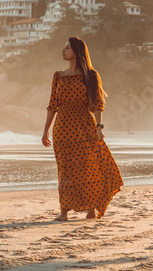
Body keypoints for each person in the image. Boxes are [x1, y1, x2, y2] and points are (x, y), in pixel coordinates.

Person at [42, 37, 123, 220]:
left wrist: (99, 127)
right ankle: (64, 211)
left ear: (77, 52)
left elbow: (97, 103)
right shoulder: (58, 76)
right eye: (64, 47)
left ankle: (92, 208)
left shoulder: (91, 76)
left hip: (84, 127)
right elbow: (52, 105)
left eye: (67, 47)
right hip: (62, 129)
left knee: (89, 167)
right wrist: (45, 130)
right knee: (65, 169)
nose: (63, 50)